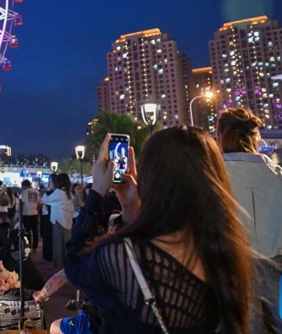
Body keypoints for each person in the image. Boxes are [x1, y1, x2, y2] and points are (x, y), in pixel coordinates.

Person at [64, 128, 254, 333]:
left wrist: (98, 194)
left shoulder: (123, 255)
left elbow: (75, 265)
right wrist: (131, 210)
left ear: (152, 179)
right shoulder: (227, 253)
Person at [216, 107, 282, 333]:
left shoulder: (212, 176)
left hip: (233, 273)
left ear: (219, 135)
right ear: (255, 136)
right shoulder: (279, 174)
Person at [42, 172, 73, 271]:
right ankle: (69, 266)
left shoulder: (58, 192)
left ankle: (58, 268)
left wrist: (49, 188)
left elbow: (45, 199)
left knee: (57, 246)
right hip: (68, 222)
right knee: (67, 245)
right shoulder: (69, 194)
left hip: (58, 222)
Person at [19, 179, 40, 249]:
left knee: (26, 231)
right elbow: (41, 203)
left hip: (26, 214)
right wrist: (36, 209)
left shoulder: (24, 192)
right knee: (35, 232)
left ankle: (28, 247)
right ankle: (35, 247)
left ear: (24, 185)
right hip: (35, 213)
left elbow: (22, 203)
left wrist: (20, 212)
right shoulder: (36, 192)